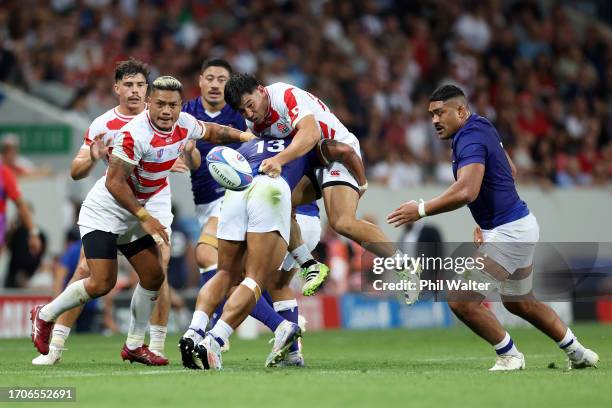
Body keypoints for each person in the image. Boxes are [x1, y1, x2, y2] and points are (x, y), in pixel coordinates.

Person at [30, 75, 254, 366]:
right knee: (101, 282)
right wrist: (144, 218)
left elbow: (211, 131)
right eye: (160, 104)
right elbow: (114, 183)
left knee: (153, 275)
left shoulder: (184, 124)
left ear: (179, 106)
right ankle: (44, 315)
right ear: (149, 104)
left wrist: (243, 137)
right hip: (105, 213)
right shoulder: (134, 134)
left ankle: (135, 345)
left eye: (172, 105)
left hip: (136, 212)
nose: (166, 111)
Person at [386, 84, 598, 371]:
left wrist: (421, 209)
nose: (434, 120)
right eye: (431, 115)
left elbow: (467, 191)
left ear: (460, 110)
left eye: (440, 113)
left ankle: (510, 356)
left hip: (510, 232)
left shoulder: (468, 139)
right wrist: (485, 220)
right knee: (520, 302)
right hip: (520, 224)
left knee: (461, 299)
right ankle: (579, 353)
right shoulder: (481, 126)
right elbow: (507, 171)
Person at [223, 74, 419, 301]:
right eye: (242, 111)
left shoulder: (285, 96)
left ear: (261, 90)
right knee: (273, 200)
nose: (248, 113)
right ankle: (309, 264)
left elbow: (311, 133)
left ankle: (405, 266)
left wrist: (280, 161)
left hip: (337, 155)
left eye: (250, 105)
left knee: (341, 222)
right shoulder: (253, 122)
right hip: (309, 162)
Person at [31, 58, 173, 365]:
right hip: (115, 201)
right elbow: (76, 170)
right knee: (89, 271)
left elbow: (185, 147)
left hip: (154, 197)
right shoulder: (103, 124)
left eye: (140, 85)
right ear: (117, 88)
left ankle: (153, 345)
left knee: (159, 266)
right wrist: (93, 157)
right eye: (129, 85)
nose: (135, 92)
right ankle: (55, 345)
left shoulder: (165, 114)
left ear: (148, 89)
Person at [184, 135, 368, 370]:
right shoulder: (302, 141)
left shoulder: (260, 143)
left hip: (283, 215)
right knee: (274, 284)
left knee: (241, 278)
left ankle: (215, 338)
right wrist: (361, 183)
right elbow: (343, 152)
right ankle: (290, 348)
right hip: (299, 218)